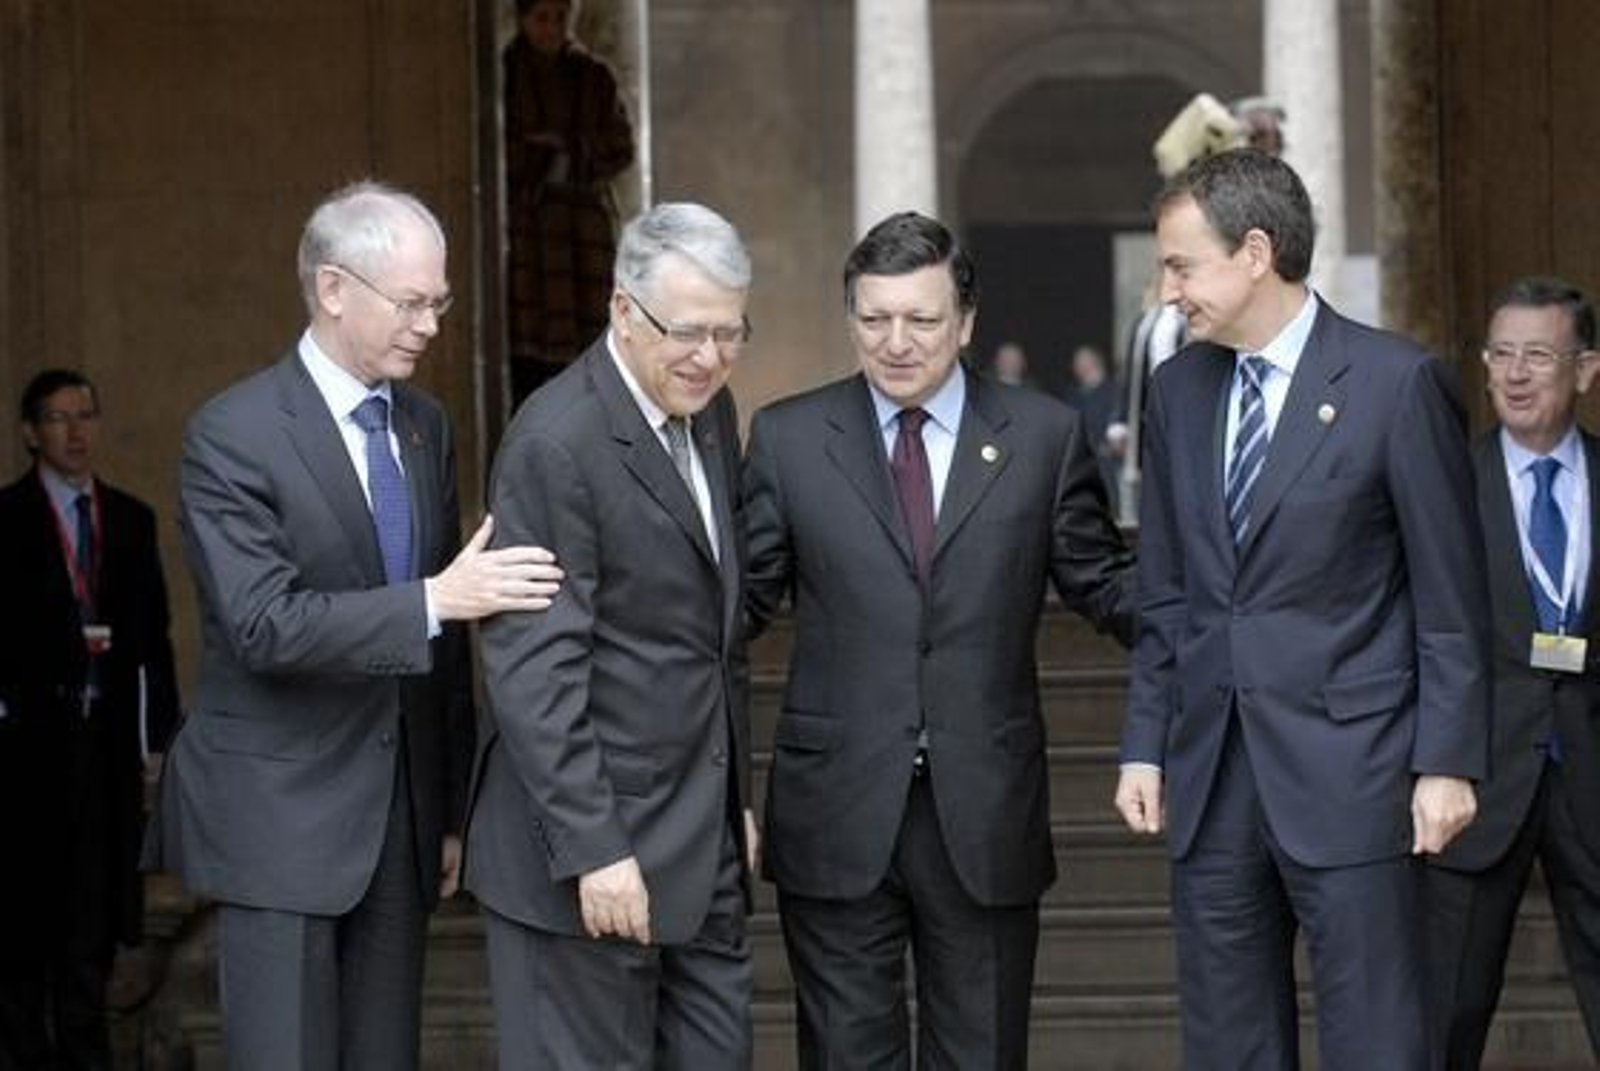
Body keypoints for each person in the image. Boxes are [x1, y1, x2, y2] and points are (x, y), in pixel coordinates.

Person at [144, 181, 562, 1071]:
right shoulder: (234, 432)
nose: (430, 325)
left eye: (439, 302)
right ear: (333, 288)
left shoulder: (425, 425)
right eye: (411, 302)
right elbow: (263, 623)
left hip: (400, 824)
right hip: (280, 821)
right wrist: (432, 600)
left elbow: (443, 654)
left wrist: (446, 807)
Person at [1114, 148, 1490, 1069]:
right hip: (1213, 775)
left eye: (1181, 265)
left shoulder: (1396, 383)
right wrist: (1144, 741)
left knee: (1375, 1036)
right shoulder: (1178, 390)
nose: (1168, 291)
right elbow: (1167, 589)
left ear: (1254, 252)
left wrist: (1446, 760)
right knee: (1227, 1040)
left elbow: (1449, 596)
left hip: (1356, 770)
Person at [744, 211, 1134, 1068]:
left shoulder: (1042, 436)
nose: (896, 342)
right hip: (835, 809)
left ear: (965, 322)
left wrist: (1236, 600)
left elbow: (1105, 584)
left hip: (984, 811)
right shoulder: (787, 437)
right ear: (851, 318)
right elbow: (733, 609)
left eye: (921, 319)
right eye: (874, 318)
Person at [468, 202, 758, 1068]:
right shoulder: (555, 441)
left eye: (730, 332)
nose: (709, 356)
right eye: (687, 332)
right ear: (623, 310)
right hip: (589, 858)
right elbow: (534, 670)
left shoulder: (710, 411)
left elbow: (711, 632)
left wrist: (734, 796)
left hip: (700, 841)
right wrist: (596, 849)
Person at [1427, 276, 1600, 1067]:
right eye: (1501, 355)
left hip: (1591, 773)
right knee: (1447, 1014)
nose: (1517, 374)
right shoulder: (1444, 485)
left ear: (1585, 368)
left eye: (1538, 355)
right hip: (1475, 778)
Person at [0, 369, 181, 1071]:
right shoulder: (7, 518)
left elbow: (156, 642)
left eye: (87, 415)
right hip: (25, 756)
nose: (76, 432)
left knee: (92, 933)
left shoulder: (130, 519)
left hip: (105, 756)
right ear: (30, 433)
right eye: (58, 418)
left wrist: (159, 741)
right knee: (22, 937)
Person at [504, 0, 636, 404]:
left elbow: (621, 147)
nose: (552, 28)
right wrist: (542, 156)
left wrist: (565, 150)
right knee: (526, 357)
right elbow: (494, 150)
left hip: (584, 234)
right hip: (527, 234)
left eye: (560, 18)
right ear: (523, 19)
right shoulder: (503, 74)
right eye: (541, 18)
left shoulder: (593, 76)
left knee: (591, 351)